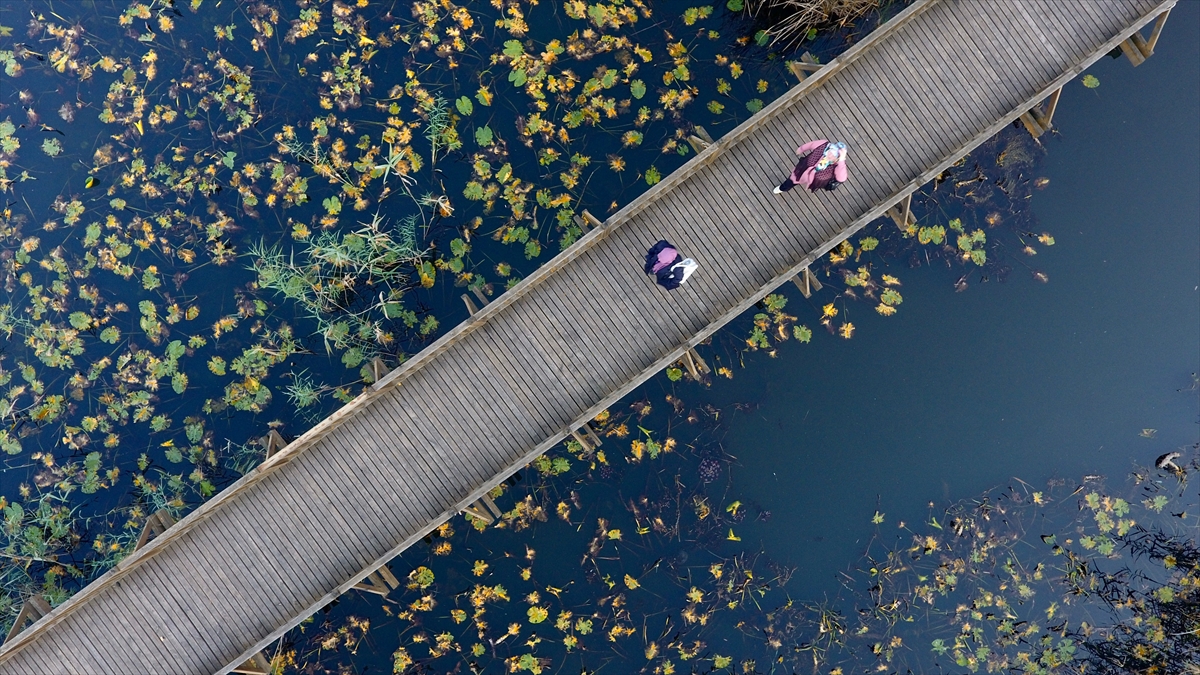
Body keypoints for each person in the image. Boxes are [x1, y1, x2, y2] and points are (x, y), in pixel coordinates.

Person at [774, 140, 848, 193]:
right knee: (791, 180)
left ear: (838, 158)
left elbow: (841, 178)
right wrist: (801, 149)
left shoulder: (838, 165)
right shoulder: (823, 145)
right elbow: (811, 144)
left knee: (803, 182)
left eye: (835, 155)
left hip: (814, 181)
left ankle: (803, 182)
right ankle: (782, 188)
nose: (830, 155)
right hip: (802, 171)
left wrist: (841, 161)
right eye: (831, 151)